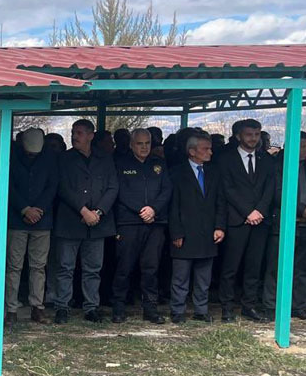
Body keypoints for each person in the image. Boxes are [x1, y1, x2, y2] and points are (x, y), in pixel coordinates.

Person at [51, 119, 118, 324]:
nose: (74, 136)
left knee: (93, 268)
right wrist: (83, 209)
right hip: (71, 221)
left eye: (79, 132)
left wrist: (98, 212)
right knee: (65, 267)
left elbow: (113, 187)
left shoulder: (105, 158)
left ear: (90, 135)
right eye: (73, 132)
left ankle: (91, 307)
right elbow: (62, 187)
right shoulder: (64, 159)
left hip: (97, 223)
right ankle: (62, 306)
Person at [263, 132, 306, 322]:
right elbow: (277, 193)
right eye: (302, 147)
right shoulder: (278, 166)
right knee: (276, 267)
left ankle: (298, 306)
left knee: (304, 269)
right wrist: (302, 209)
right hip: (283, 224)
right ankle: (271, 306)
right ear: (290, 147)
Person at [213, 118, 275, 322]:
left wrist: (259, 211)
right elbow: (227, 189)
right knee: (231, 267)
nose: (253, 139)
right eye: (249, 134)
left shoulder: (266, 158)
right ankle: (227, 308)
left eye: (257, 135)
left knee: (254, 266)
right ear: (239, 136)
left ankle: (249, 306)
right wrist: (248, 211)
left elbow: (269, 188)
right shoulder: (226, 159)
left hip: (260, 220)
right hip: (237, 220)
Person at [112, 128, 172, 324]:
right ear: (131, 145)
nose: (144, 147)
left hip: (155, 223)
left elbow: (167, 190)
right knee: (124, 267)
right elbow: (120, 192)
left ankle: (150, 309)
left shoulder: (159, 164)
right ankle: (119, 307)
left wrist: (153, 209)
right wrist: (142, 210)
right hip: (129, 222)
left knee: (151, 268)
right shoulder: (120, 164)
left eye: (147, 143)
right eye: (140, 143)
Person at [168, 132, 226, 323]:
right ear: (192, 151)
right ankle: (178, 310)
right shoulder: (176, 173)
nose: (210, 152)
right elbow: (172, 205)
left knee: (203, 277)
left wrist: (219, 226)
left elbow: (220, 201)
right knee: (181, 277)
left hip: (208, 232)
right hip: (184, 233)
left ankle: (201, 310)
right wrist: (176, 232)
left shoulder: (214, 171)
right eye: (205, 149)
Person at [6, 128, 58, 323]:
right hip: (16, 219)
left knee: (38, 267)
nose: (31, 156)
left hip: (42, 220)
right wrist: (24, 209)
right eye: (29, 153)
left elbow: (52, 186)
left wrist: (38, 210)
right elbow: (8, 185)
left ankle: (37, 307)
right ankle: (11, 309)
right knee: (14, 266)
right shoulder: (11, 155)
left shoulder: (50, 158)